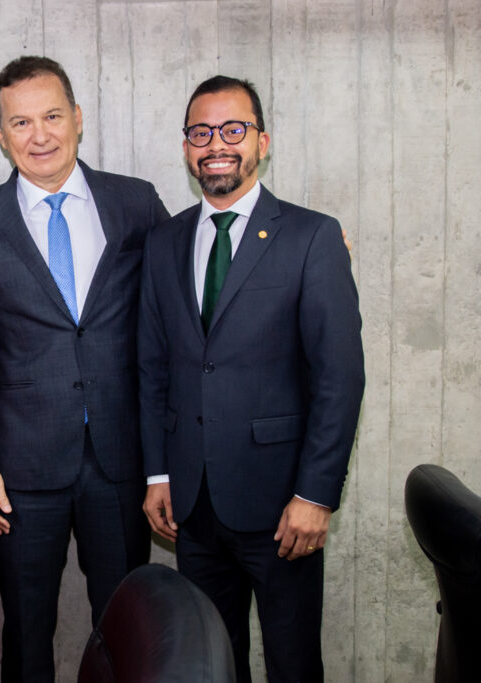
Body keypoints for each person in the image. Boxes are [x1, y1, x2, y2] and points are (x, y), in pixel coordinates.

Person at [0, 56, 168, 682]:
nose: (39, 135)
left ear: (78, 118)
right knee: (25, 629)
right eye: (20, 122)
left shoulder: (135, 201)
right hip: (20, 466)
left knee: (128, 628)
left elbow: (179, 294)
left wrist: (295, 244)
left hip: (120, 460)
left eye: (51, 116)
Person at [139, 75, 365, 682]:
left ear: (262, 142)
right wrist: (158, 472)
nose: (217, 144)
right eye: (201, 132)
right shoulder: (163, 243)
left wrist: (316, 495)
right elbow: (154, 367)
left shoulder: (312, 237)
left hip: (282, 505)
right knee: (212, 661)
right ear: (186, 147)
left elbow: (339, 378)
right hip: (191, 503)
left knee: (292, 663)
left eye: (233, 129)